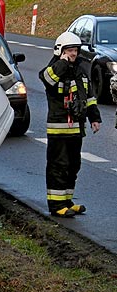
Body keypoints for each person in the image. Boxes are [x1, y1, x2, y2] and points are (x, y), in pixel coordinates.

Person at [39, 31, 101, 217]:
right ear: (60, 51)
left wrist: (95, 118)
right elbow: (47, 79)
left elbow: (88, 97)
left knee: (73, 166)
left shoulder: (80, 71)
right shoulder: (55, 68)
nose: (73, 54)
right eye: (69, 50)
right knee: (59, 166)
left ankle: (67, 201)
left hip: (76, 129)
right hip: (59, 130)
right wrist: (63, 63)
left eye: (75, 50)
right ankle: (56, 206)